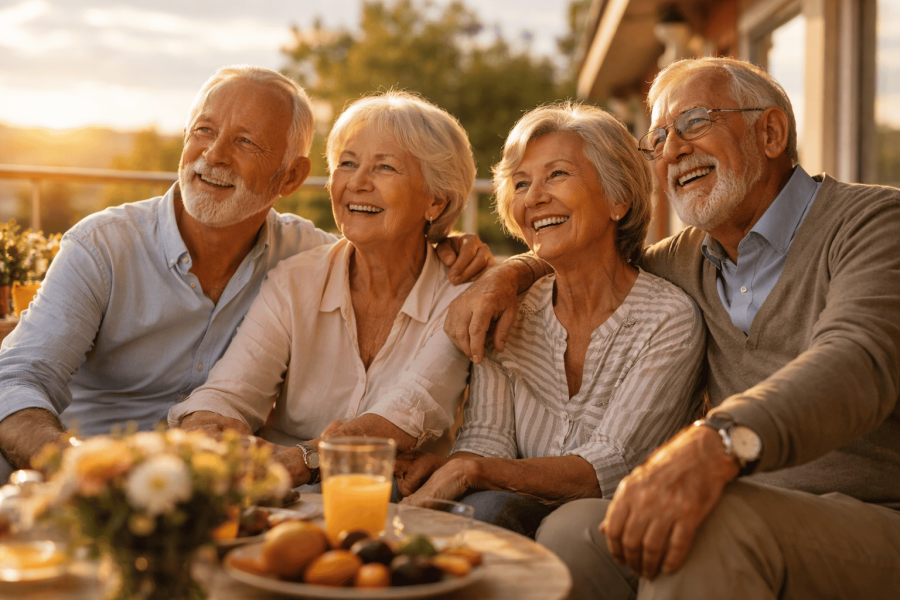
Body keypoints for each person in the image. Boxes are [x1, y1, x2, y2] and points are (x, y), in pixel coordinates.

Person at [446, 57, 900, 599]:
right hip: (744, 505)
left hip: (873, 515)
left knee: (711, 530)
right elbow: (592, 256)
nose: (674, 150)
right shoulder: (690, 259)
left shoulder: (875, 224)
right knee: (577, 531)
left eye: (695, 123)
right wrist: (510, 274)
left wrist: (719, 442)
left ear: (771, 132)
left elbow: (857, 361)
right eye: (659, 138)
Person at [0, 66, 491, 477]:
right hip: (89, 464)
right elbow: (19, 376)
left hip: (222, 483)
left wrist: (500, 269)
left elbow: (391, 257)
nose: (213, 155)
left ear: (292, 177)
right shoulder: (103, 246)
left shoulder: (304, 256)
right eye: (203, 131)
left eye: (245, 142)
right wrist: (73, 466)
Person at [395, 103, 704, 539]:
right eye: (521, 183)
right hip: (510, 511)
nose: (534, 197)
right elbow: (486, 442)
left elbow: (608, 468)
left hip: (627, 529)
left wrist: (473, 470)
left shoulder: (668, 319)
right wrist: (453, 468)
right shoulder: (510, 307)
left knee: (488, 518)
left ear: (619, 199)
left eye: (557, 174)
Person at [169, 91, 478, 487]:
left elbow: (408, 413)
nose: (357, 183)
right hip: (282, 495)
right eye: (347, 164)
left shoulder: (461, 294)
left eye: (384, 168)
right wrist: (206, 427)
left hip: (391, 500)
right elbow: (230, 390)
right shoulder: (295, 279)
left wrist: (299, 461)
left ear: (436, 200)